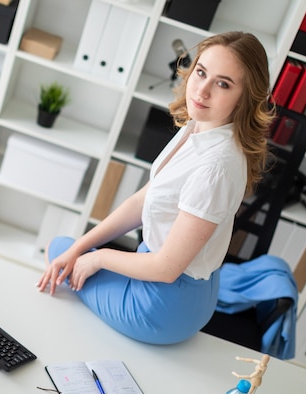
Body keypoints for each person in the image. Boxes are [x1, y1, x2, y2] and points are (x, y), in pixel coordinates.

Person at [36, 31, 274, 345]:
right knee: (67, 249)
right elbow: (145, 198)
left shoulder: (216, 166)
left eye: (223, 83)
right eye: (201, 73)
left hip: (165, 304)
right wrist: (79, 248)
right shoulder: (200, 126)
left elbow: (165, 268)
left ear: (245, 97)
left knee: (58, 251)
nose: (202, 90)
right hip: (180, 284)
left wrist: (98, 257)